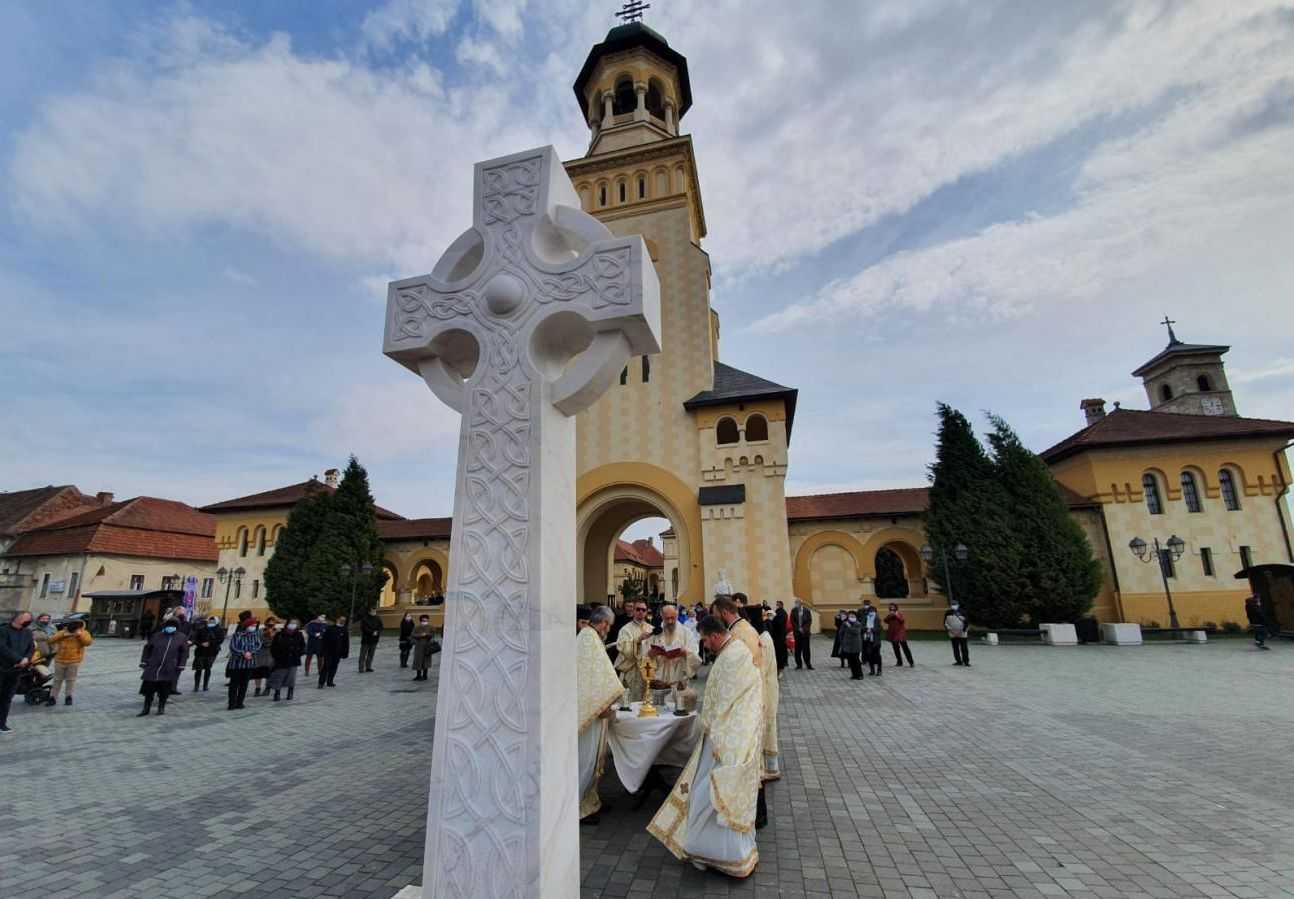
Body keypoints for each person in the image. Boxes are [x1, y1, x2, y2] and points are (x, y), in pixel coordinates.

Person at [648, 614, 761, 877]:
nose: (705, 646)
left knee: (709, 795)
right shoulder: (734, 651)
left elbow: (723, 701)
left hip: (725, 737)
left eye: (705, 641)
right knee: (714, 795)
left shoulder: (732, 656)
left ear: (715, 635)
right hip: (730, 734)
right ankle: (725, 853)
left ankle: (712, 851)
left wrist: (708, 724)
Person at [578, 606, 624, 824]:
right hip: (590, 712)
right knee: (586, 759)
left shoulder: (590, 638)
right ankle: (578, 808)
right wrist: (609, 699)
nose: (608, 629)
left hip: (595, 709)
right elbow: (593, 678)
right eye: (609, 625)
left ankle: (590, 801)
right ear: (604, 623)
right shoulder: (588, 639)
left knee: (594, 759)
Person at [645, 604, 701, 700]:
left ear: (677, 615)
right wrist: (650, 654)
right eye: (667, 618)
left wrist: (685, 653)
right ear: (662, 616)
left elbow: (695, 657)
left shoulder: (686, 633)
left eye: (673, 618)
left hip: (678, 684)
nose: (670, 621)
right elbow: (644, 657)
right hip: (658, 685)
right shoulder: (655, 633)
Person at [138, 619, 189, 716]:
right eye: (168, 625)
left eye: (173, 626)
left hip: (169, 667)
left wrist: (181, 664)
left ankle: (161, 707)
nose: (170, 627)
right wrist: (144, 661)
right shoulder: (157, 636)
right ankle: (146, 708)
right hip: (153, 666)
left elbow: (184, 652)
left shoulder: (181, 637)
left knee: (164, 690)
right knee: (149, 690)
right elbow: (147, 648)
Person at [1, 612, 36, 733]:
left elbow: (31, 648)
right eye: (25, 618)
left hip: (16, 671)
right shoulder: (3, 630)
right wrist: (18, 659)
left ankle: (2, 724)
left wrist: (26, 659)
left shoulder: (28, 632)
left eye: (29, 619)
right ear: (17, 618)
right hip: (3, 668)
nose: (28, 621)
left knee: (7, 697)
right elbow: (2, 648)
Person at [756, 613, 780, 782]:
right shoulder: (765, 636)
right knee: (768, 727)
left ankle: (767, 768)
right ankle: (769, 766)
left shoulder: (762, 640)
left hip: (765, 689)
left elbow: (760, 668)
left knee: (766, 728)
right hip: (768, 687)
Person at [47, 619, 92, 706]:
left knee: (71, 680)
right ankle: (52, 697)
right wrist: (64, 635)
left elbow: (88, 642)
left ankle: (68, 697)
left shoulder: (84, 632)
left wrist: (80, 635)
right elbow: (51, 640)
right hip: (60, 660)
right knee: (57, 680)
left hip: (74, 660)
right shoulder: (63, 632)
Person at [614, 601, 653, 703]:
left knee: (647, 701)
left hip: (647, 669)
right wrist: (638, 641)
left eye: (643, 610)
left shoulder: (651, 628)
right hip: (631, 670)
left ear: (646, 612)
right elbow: (624, 650)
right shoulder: (625, 629)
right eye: (638, 609)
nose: (640, 612)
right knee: (630, 702)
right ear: (634, 611)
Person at [712, 595, 763, 669]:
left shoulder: (737, 635)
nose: (716, 621)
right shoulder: (743, 626)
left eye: (716, 617)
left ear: (724, 613)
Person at [226, 617, 261, 710]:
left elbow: (258, 646)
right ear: (247, 626)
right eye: (252, 625)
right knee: (234, 684)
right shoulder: (237, 635)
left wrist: (251, 652)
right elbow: (233, 647)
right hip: (237, 664)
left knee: (244, 684)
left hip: (249, 664)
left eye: (254, 626)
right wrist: (243, 653)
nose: (253, 627)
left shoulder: (255, 635)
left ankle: (240, 702)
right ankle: (232, 704)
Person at [269, 619, 305, 701]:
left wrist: (298, 653)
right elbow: (273, 647)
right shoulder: (280, 634)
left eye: (295, 624)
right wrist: (277, 656)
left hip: (293, 659)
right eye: (291, 623)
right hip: (281, 659)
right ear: (287, 624)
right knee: (279, 676)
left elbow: (302, 646)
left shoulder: (299, 634)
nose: (293, 625)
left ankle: (290, 692)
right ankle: (277, 693)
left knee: (291, 677)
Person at [189, 617, 219, 693]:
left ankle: (205, 686)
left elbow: (220, 640)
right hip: (200, 652)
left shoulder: (218, 630)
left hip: (211, 652)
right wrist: (201, 644)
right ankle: (196, 686)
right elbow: (195, 640)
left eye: (213, 621)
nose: (211, 623)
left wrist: (210, 643)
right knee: (198, 669)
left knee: (208, 669)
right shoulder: (200, 630)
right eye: (210, 621)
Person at [318, 616, 349, 688]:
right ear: (337, 620)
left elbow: (346, 642)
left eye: (344, 620)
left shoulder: (344, 629)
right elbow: (324, 641)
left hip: (338, 652)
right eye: (341, 620)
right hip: (328, 651)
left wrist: (345, 653)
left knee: (334, 667)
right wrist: (322, 651)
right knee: (326, 666)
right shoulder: (330, 628)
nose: (343, 621)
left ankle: (330, 681)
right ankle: (321, 683)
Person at [252, 617, 277, 696]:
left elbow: (277, 642)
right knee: (258, 673)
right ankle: (257, 688)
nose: (270, 626)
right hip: (260, 654)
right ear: (266, 624)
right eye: (269, 624)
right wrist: (265, 635)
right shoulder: (260, 631)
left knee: (268, 673)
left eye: (272, 624)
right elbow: (257, 640)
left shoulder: (276, 632)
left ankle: (267, 688)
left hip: (270, 655)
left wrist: (272, 636)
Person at [860, 600, 883, 677]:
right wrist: (866, 629)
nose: (871, 612)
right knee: (869, 655)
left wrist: (872, 630)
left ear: (875, 612)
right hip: (867, 639)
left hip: (876, 640)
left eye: (872, 611)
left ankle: (879, 670)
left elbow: (880, 629)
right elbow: (861, 627)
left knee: (877, 655)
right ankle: (872, 670)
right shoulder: (865, 618)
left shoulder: (877, 619)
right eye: (870, 611)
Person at [411, 614, 437, 680]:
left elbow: (433, 634)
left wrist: (427, 634)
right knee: (418, 661)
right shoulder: (417, 627)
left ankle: (425, 675)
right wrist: (420, 635)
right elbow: (413, 634)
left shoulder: (431, 627)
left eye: (426, 620)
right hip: (419, 646)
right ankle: (418, 675)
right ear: (420, 620)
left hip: (427, 646)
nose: (425, 621)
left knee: (426, 661)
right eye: (423, 620)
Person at [838, 612, 864, 680]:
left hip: (855, 645)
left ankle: (860, 675)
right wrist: (842, 641)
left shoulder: (858, 624)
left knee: (856, 660)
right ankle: (854, 674)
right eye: (850, 616)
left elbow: (856, 632)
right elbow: (841, 632)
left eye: (853, 616)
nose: (851, 617)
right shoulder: (844, 623)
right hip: (847, 645)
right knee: (851, 661)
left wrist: (849, 626)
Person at [790, 599, 814, 670]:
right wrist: (798, 628)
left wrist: (803, 629)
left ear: (801, 603)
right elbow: (792, 621)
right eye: (795, 603)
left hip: (805, 633)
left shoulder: (807, 611)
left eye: (797, 603)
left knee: (806, 649)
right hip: (797, 633)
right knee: (797, 649)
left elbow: (809, 621)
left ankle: (808, 664)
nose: (796, 604)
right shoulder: (793, 610)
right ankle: (799, 664)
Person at [945, 602, 971, 667]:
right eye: (952, 605)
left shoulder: (963, 612)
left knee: (964, 648)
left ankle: (966, 661)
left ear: (958, 605)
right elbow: (945, 622)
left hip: (962, 633)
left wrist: (963, 631)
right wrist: (950, 630)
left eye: (955, 604)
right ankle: (958, 661)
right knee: (955, 648)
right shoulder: (948, 612)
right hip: (953, 633)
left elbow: (966, 622)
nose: (953, 606)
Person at [769, 601, 789, 672]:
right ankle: (783, 662)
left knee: (779, 651)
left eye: (777, 605)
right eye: (776, 604)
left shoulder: (781, 613)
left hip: (779, 635)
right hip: (781, 634)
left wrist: (772, 621)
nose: (776, 606)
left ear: (781, 605)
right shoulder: (780, 612)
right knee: (782, 649)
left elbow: (778, 623)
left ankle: (781, 665)